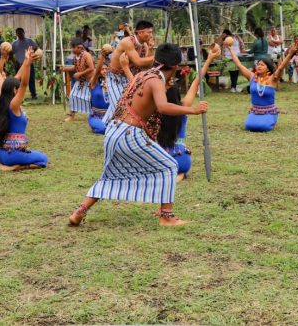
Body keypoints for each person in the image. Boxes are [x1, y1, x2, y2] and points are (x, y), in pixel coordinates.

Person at [67, 43, 208, 227]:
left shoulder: (142, 75)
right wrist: (194, 110)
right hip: (129, 133)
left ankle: (79, 212)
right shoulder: (156, 80)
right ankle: (166, 217)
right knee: (169, 166)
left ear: (156, 60)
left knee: (110, 174)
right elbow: (163, 107)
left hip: (113, 130)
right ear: (174, 68)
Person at [160, 44, 220, 181]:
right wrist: (209, 59)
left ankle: (171, 176)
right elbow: (196, 82)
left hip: (161, 156)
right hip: (181, 158)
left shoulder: (154, 108)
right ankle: (179, 174)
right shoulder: (184, 106)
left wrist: (127, 68)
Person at [0, 47, 47, 171]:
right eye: (17, 89)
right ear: (14, 90)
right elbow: (23, 84)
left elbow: (4, 81)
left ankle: (11, 164)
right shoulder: (13, 105)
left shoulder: (1, 101)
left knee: (33, 153)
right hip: (13, 155)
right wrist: (28, 64)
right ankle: (16, 167)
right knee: (43, 159)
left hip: (1, 154)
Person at [228, 40, 291, 132]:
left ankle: (271, 119)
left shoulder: (272, 79)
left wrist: (290, 54)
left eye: (262, 65)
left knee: (264, 127)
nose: (259, 66)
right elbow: (239, 65)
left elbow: (281, 67)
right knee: (249, 125)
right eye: (258, 64)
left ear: (268, 68)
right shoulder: (252, 77)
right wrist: (230, 50)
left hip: (269, 112)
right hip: (255, 112)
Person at [103, 20, 156, 121]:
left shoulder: (144, 45)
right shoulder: (126, 40)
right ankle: (113, 128)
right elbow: (139, 62)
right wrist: (158, 57)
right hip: (116, 79)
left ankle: (106, 124)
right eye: (149, 32)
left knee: (125, 107)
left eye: (151, 32)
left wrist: (151, 49)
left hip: (130, 78)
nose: (151, 35)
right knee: (121, 107)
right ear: (140, 32)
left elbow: (146, 67)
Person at [88, 46, 119, 135]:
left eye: (106, 69)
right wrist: (102, 56)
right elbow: (97, 70)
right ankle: (97, 127)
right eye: (102, 69)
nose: (104, 71)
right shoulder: (93, 83)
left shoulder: (112, 83)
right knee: (104, 128)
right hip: (96, 117)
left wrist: (114, 51)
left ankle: (98, 128)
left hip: (110, 116)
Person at [63, 37, 94, 122]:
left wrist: (80, 74)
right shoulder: (75, 57)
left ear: (79, 47)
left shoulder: (87, 55)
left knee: (90, 99)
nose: (71, 49)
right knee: (73, 95)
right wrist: (66, 69)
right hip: (81, 81)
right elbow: (75, 67)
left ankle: (94, 115)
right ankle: (71, 116)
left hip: (90, 81)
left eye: (73, 47)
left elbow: (91, 68)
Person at [11, 27, 38, 99]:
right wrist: (14, 61)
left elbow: (36, 47)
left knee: (31, 79)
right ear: (16, 34)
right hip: (18, 64)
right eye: (18, 32)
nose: (20, 34)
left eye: (21, 32)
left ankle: (33, 94)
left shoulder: (29, 41)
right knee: (17, 80)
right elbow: (10, 53)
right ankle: (17, 94)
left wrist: (32, 54)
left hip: (29, 63)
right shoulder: (14, 43)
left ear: (24, 32)